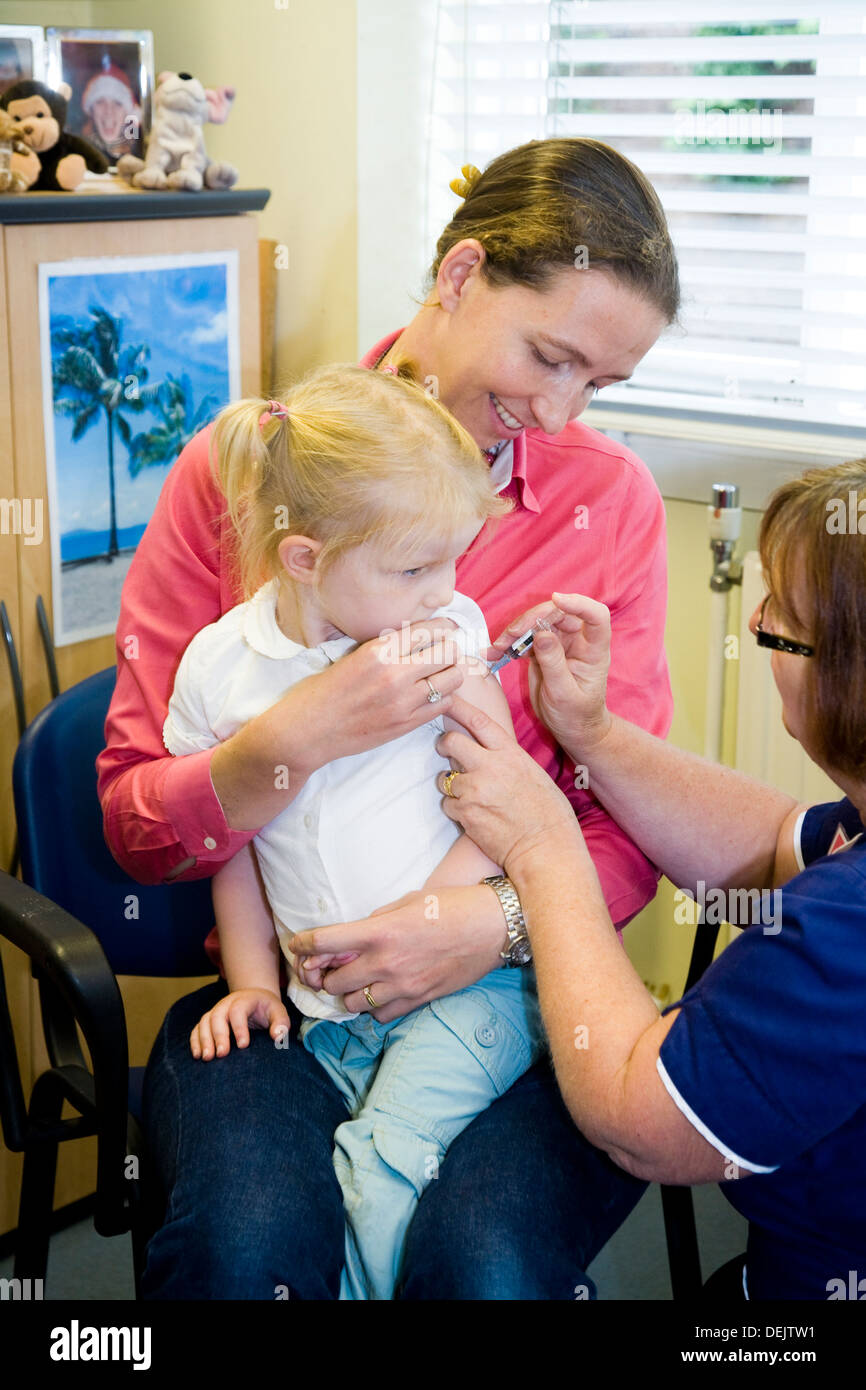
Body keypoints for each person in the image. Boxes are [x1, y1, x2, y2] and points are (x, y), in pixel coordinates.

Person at [97, 137, 679, 1299]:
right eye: (549, 355)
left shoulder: (604, 503)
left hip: (510, 984)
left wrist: (484, 924)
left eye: (597, 386)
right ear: (459, 277)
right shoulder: (246, 468)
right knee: (248, 1257)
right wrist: (294, 738)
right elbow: (135, 826)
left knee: (482, 1267)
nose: (559, 413)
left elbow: (623, 828)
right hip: (288, 991)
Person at [423, 458, 866, 1300]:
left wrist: (545, 845)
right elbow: (775, 844)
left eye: (781, 629)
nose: (762, 626)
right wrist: (587, 733)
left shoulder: (847, 931)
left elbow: (638, 1121)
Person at [163, 363, 548, 1300]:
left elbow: (495, 800)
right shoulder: (221, 669)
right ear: (305, 559)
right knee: (292, 1219)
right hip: (327, 1019)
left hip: (467, 994)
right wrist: (254, 987)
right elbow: (235, 849)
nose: (444, 591)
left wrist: (422, 923)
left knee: (379, 1187)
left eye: (453, 559)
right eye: (414, 567)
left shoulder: (445, 631)